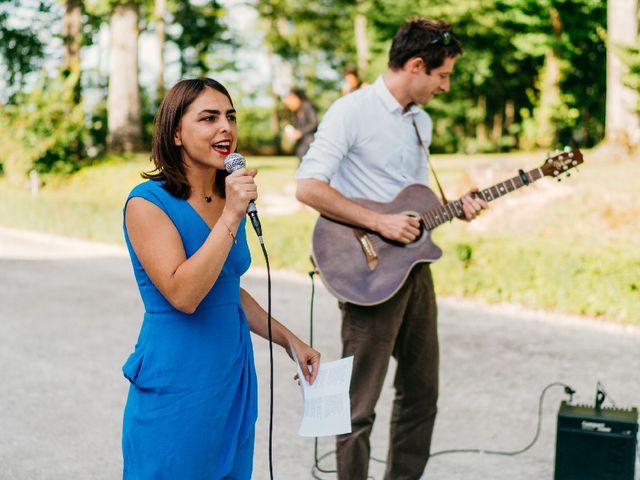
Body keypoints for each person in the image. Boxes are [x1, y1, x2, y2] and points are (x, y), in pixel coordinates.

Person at [296, 17, 487, 480]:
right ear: (417, 66)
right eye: (442, 76)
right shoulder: (351, 111)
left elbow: (412, 202)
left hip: (415, 269)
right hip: (366, 274)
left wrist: (452, 208)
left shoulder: (421, 122)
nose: (445, 86)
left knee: (422, 393)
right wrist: (378, 222)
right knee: (358, 405)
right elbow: (307, 187)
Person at [121, 77, 320, 479]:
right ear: (176, 132)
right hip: (179, 380)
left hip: (231, 375)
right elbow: (185, 294)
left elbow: (226, 288)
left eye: (230, 116)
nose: (225, 127)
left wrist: (289, 341)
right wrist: (232, 213)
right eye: (208, 118)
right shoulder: (147, 204)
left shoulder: (227, 195)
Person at [282, 88, 318, 164]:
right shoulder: (295, 112)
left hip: (310, 141)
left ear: (296, 98)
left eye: (290, 104)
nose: (290, 107)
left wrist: (300, 132)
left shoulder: (307, 106)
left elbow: (314, 123)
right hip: (301, 143)